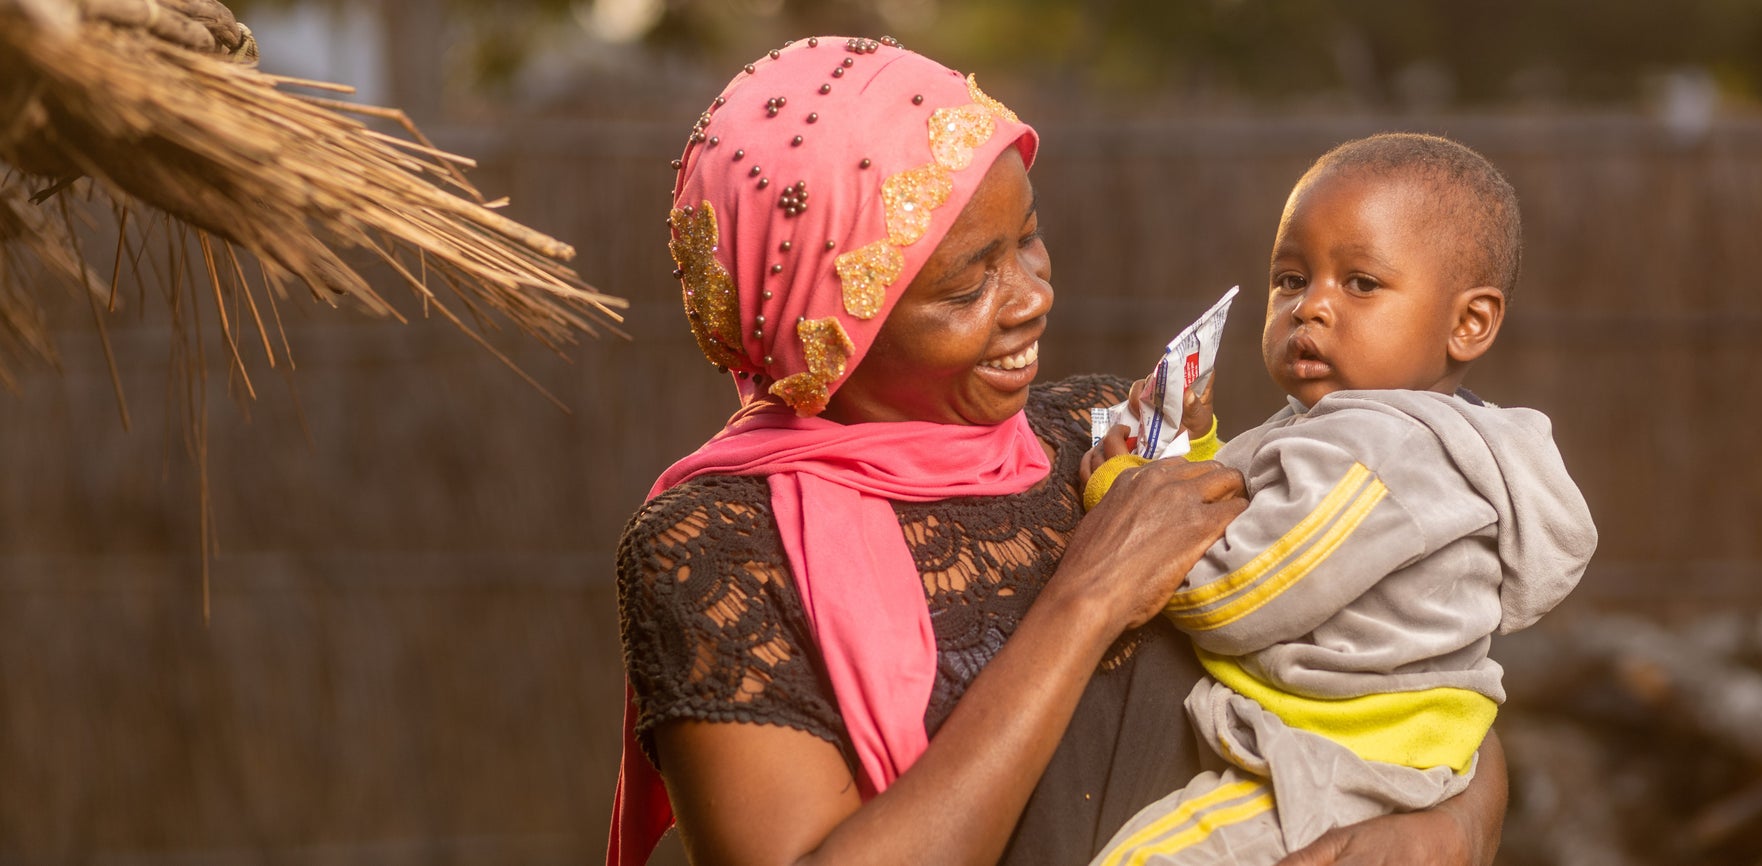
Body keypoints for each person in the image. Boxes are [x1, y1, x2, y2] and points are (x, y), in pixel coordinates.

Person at [610, 40, 1511, 866]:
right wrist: (1088, 599)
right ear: (824, 319)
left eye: (1028, 238)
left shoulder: (1095, 431)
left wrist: (1449, 832)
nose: (1033, 296)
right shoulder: (716, 548)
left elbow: (1394, 663)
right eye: (968, 284)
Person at [1080, 133, 1598, 865]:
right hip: (1359, 737)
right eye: (1291, 279)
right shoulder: (1357, 427)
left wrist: (1124, 496)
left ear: (1469, 323)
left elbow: (1232, 595)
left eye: (1361, 283)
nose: (1310, 307)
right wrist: (1195, 453)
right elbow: (1260, 511)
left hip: (1341, 755)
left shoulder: (1383, 451)